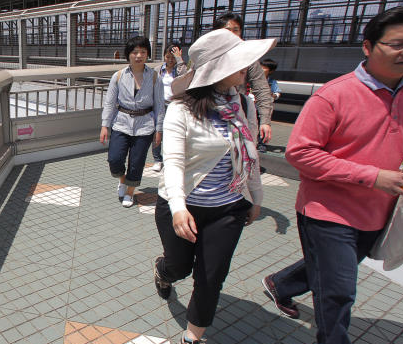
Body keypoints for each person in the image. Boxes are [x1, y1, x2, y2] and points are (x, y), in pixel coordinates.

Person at [262, 5, 403, 344]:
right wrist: (372, 176)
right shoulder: (335, 95)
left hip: (388, 210)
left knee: (333, 270)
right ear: (369, 47)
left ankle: (281, 284)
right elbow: (300, 153)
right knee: (339, 291)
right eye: (399, 44)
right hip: (327, 210)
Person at [153, 28, 271, 344]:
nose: (246, 70)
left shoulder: (243, 103)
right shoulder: (181, 111)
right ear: (216, 71)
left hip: (228, 207)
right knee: (180, 268)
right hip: (182, 206)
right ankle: (163, 270)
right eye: (238, 64)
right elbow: (172, 162)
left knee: (211, 276)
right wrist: (177, 206)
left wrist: (255, 198)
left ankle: (193, 337)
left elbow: (248, 154)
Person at [179, 12, 275, 143]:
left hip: (237, 113)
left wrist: (265, 120)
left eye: (236, 30)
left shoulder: (250, 61)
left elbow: (261, 88)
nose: (232, 35)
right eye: (227, 31)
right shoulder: (204, 58)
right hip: (206, 110)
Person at [100, 36, 165, 207]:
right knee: (115, 159)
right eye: (135, 52)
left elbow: (159, 105)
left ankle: (130, 192)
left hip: (145, 126)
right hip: (121, 123)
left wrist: (159, 130)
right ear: (128, 54)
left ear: (148, 54)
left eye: (143, 52)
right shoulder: (119, 76)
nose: (139, 55)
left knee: (137, 163)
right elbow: (110, 103)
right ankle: (122, 180)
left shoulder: (154, 77)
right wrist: (105, 125)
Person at [149, 44, 182, 174]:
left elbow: (185, 76)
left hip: (175, 105)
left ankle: (171, 160)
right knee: (157, 132)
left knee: (172, 134)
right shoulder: (158, 70)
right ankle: (158, 159)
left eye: (173, 57)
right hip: (160, 104)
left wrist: (180, 60)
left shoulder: (180, 69)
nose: (170, 60)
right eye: (168, 57)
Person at [256, 58, 280, 150]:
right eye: (261, 66)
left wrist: (272, 95)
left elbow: (277, 93)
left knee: (264, 124)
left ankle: (262, 143)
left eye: (264, 67)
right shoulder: (254, 80)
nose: (261, 69)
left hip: (266, 108)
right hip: (253, 106)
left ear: (271, 71)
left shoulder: (272, 82)